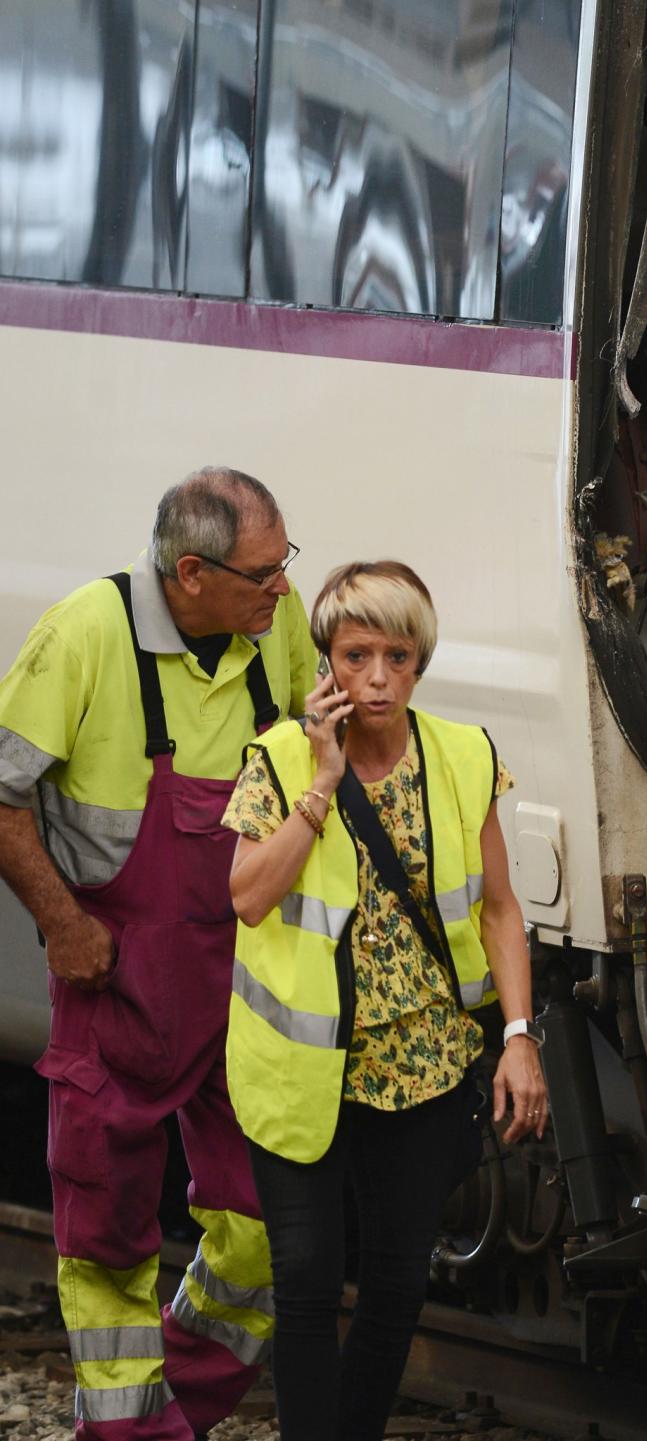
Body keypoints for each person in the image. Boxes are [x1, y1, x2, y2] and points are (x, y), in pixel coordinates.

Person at [0, 467, 318, 1441]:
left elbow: (309, 747)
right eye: (263, 574)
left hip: (243, 972)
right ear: (190, 573)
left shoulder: (275, 626)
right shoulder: (85, 637)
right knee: (106, 1230)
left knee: (269, 1222)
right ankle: (132, 1430)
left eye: (284, 566)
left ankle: (173, 1405)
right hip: (119, 973)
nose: (282, 589)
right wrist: (62, 923)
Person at [222, 559, 547, 1441]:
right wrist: (321, 784)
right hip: (302, 1070)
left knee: (400, 1283)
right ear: (326, 660)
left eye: (396, 656)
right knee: (307, 1279)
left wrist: (519, 1036)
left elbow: (500, 909)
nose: (375, 677)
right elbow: (248, 895)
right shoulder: (280, 758)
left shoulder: (465, 755)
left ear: (419, 662)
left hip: (423, 1067)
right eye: (356, 654)